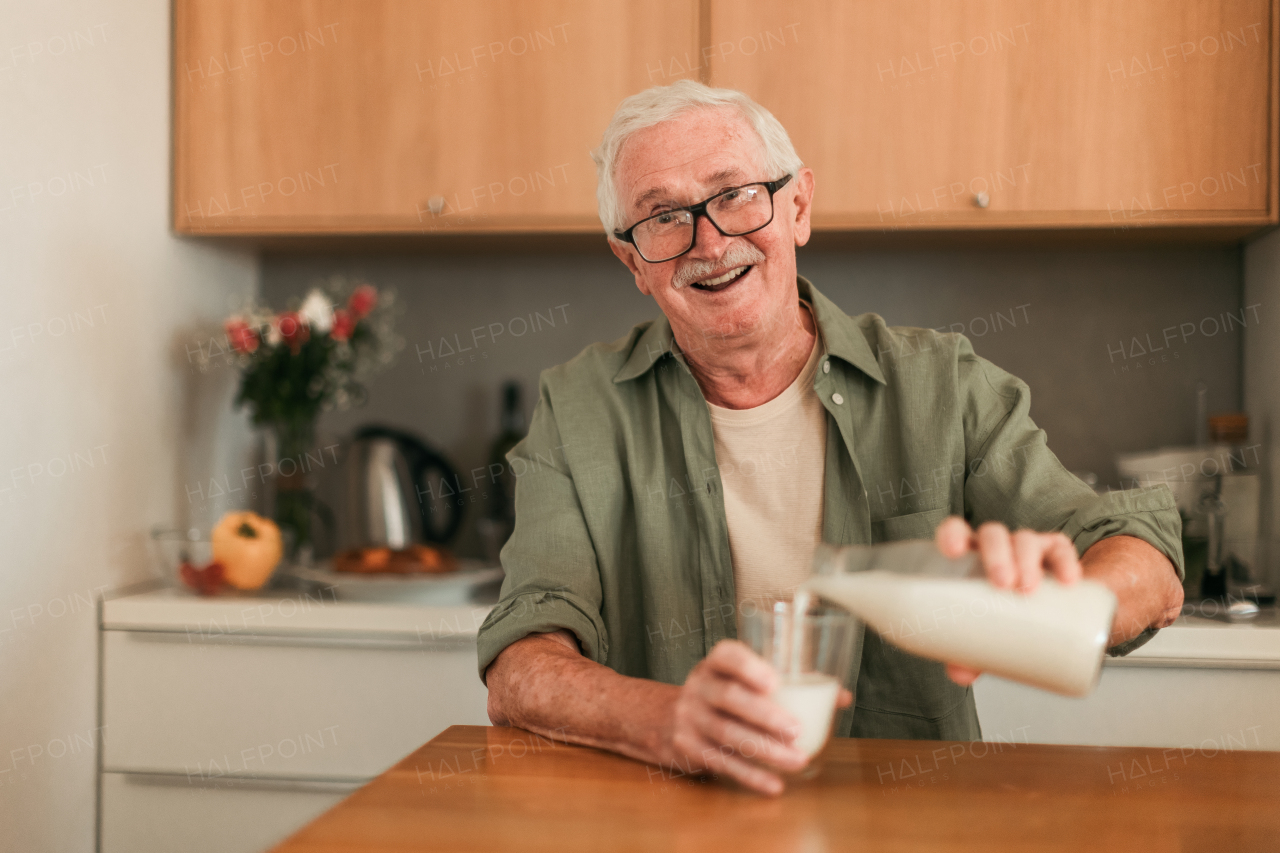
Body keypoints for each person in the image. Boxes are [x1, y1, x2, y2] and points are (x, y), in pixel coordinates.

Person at [476, 80, 1184, 795]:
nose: (711, 241)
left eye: (736, 194)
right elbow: (521, 662)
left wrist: (1063, 596)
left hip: (910, 822)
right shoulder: (578, 407)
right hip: (674, 824)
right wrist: (665, 719)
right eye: (662, 217)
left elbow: (1144, 558)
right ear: (634, 262)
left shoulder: (938, 383)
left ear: (798, 207)